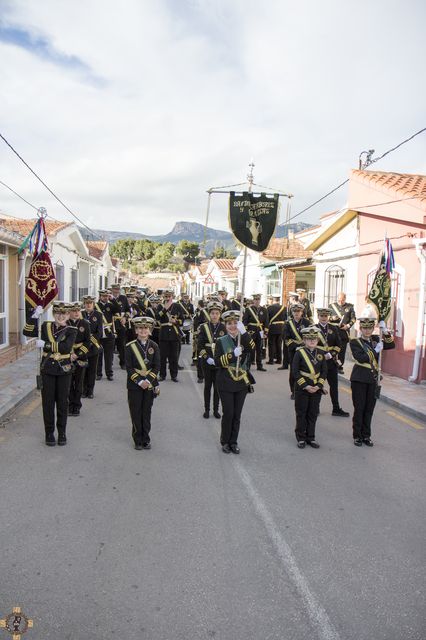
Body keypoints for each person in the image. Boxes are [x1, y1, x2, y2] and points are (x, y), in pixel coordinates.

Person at [214, 310, 255, 454]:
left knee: (237, 414)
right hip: (225, 381)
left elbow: (252, 349)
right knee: (229, 413)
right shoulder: (220, 341)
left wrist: (244, 333)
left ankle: (233, 441)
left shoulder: (243, 338)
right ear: (225, 325)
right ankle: (225, 441)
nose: (232, 326)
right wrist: (232, 355)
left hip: (241, 382)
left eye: (235, 323)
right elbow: (218, 362)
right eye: (229, 323)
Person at [349, 318, 395, 446]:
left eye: (370, 328)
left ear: (372, 328)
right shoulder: (355, 342)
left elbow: (391, 345)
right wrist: (375, 351)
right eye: (365, 328)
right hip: (359, 379)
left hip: (373, 379)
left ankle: (366, 436)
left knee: (369, 409)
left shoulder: (376, 339)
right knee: (359, 408)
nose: (367, 330)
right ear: (361, 329)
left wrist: (385, 330)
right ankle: (357, 435)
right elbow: (361, 358)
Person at [38, 302, 78, 446]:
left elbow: (66, 348)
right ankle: (49, 433)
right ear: (53, 313)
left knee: (62, 403)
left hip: (63, 371)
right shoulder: (45, 326)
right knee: (47, 403)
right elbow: (27, 331)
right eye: (57, 313)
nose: (60, 316)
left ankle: (62, 433)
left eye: (64, 313)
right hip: (47, 370)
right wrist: (34, 316)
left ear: (68, 315)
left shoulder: (72, 330)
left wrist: (46, 345)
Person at [125, 317, 160, 450]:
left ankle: (146, 438)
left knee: (146, 412)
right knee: (136, 411)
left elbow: (157, 366)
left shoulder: (154, 346)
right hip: (134, 384)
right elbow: (128, 367)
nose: (143, 330)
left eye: (146, 328)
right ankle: (137, 439)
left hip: (149, 384)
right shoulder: (129, 347)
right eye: (140, 328)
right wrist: (139, 381)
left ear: (150, 330)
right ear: (136, 330)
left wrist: (148, 380)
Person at [292, 326, 327, 449]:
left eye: (314, 339)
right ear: (304, 340)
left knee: (313, 413)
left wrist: (318, 386)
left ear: (317, 340)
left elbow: (324, 371)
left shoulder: (321, 353)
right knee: (301, 413)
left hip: (316, 389)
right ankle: (301, 437)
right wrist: (305, 386)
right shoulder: (299, 353)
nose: (312, 341)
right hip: (302, 389)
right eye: (308, 339)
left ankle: (311, 437)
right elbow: (295, 372)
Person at [315, 308, 349, 417]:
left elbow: (339, 344)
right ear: (318, 316)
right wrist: (320, 355)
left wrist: (333, 354)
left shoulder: (334, 328)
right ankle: (315, 408)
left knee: (334, 386)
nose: (324, 318)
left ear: (328, 316)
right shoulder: (313, 329)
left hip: (331, 362)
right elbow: (310, 345)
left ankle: (336, 408)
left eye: (325, 316)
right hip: (318, 362)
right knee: (318, 385)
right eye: (321, 316)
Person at [197, 301, 226, 419]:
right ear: (209, 314)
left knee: (218, 387)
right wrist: (206, 358)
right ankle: (207, 410)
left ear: (220, 314)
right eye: (212, 313)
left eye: (217, 313)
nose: (214, 315)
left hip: (219, 362)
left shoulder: (224, 327)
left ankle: (216, 410)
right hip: (207, 361)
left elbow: (226, 346)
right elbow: (200, 346)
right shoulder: (204, 327)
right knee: (207, 386)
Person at [68, 301, 91, 417]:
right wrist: (69, 355)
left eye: (78, 310)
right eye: (73, 311)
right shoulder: (65, 323)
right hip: (67, 357)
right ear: (69, 312)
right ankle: (69, 405)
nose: (76, 313)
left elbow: (88, 342)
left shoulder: (85, 324)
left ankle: (76, 406)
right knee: (68, 384)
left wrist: (77, 354)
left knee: (78, 383)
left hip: (80, 356)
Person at [283, 303, 310, 398]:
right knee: (294, 371)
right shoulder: (288, 324)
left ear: (302, 312)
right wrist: (296, 346)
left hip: (306, 350)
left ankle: (304, 388)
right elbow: (286, 338)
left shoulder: (307, 323)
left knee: (305, 370)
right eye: (294, 311)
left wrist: (305, 345)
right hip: (293, 351)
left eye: (298, 311)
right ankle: (294, 391)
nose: (296, 313)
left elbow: (311, 336)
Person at [157, 289, 184, 382]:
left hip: (174, 334)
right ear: (163, 297)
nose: (167, 298)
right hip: (164, 334)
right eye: (166, 296)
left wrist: (176, 321)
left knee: (174, 357)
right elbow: (157, 317)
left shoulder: (177, 306)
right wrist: (165, 309)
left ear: (172, 296)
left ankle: (174, 375)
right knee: (162, 357)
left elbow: (182, 320)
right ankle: (162, 375)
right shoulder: (160, 306)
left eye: (169, 296)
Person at [81, 295, 103, 399]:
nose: (88, 305)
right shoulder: (81, 314)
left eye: (90, 303)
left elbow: (99, 332)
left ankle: (90, 391)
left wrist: (90, 341)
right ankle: (83, 390)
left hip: (93, 347)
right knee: (83, 370)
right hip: (82, 347)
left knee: (92, 370)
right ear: (84, 304)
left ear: (93, 304)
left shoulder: (98, 315)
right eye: (86, 303)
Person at [96, 289, 121, 381]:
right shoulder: (95, 306)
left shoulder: (111, 305)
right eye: (103, 296)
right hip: (98, 333)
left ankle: (109, 373)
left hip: (109, 333)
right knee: (98, 354)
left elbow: (119, 309)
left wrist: (113, 299)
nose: (105, 298)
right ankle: (98, 373)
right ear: (100, 296)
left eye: (107, 296)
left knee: (109, 355)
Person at [329, 292, 356, 372]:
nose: (341, 302)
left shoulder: (350, 307)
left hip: (343, 333)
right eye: (339, 300)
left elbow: (353, 319)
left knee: (342, 351)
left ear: (345, 299)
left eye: (342, 300)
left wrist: (347, 326)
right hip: (333, 332)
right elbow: (326, 318)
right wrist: (332, 318)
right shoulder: (331, 306)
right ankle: (331, 364)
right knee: (332, 349)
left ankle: (339, 366)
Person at [243, 293, 269, 371]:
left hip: (260, 331)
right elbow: (245, 321)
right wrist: (246, 331)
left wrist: (265, 331)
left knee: (259, 349)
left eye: (258, 299)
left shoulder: (264, 309)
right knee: (250, 348)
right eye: (256, 299)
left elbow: (266, 321)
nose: (257, 301)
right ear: (253, 300)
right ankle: (248, 365)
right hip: (251, 330)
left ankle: (259, 365)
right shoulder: (248, 309)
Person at [110, 283, 130, 370]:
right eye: (114, 289)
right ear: (112, 290)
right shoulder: (108, 298)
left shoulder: (123, 298)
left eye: (118, 289)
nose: (116, 291)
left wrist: (125, 318)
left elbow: (128, 310)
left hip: (121, 323)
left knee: (122, 344)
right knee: (110, 345)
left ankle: (123, 362)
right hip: (111, 323)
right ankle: (109, 363)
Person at [266, 295, 287, 365]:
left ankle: (271, 360)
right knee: (279, 344)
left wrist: (266, 328)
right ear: (279, 300)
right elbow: (285, 318)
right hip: (281, 327)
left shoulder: (269, 308)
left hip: (273, 327)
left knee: (271, 344)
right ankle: (279, 360)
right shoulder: (284, 308)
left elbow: (267, 319)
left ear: (273, 300)